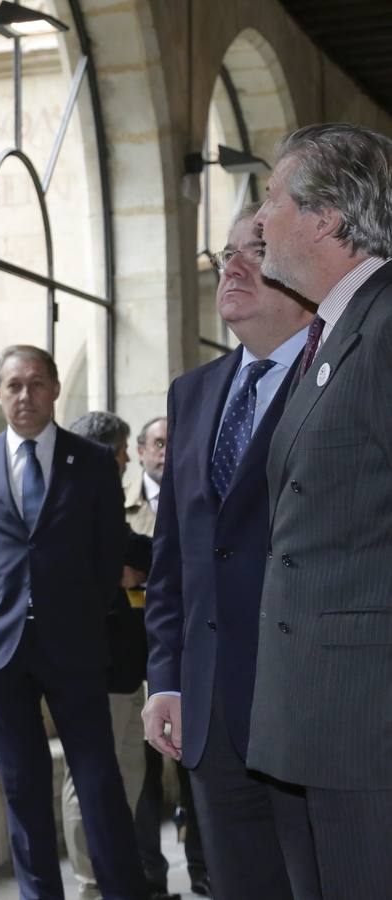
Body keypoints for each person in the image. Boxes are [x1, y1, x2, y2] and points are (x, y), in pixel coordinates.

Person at [142, 204, 320, 900]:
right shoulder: (194, 393)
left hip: (309, 707)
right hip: (210, 716)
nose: (233, 267)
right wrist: (168, 678)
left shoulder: (340, 377)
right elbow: (175, 558)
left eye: (258, 248)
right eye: (224, 254)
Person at [246, 123, 392, 897]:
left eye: (272, 199)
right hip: (317, 722)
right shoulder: (335, 335)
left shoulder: (387, 326)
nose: (260, 220)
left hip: (368, 725)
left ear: (326, 217)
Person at [0, 345, 146, 900]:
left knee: (99, 780)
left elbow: (109, 554)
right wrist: (0, 608)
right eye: (13, 385)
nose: (25, 396)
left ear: (55, 389)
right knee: (22, 784)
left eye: (36, 383)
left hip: (75, 644)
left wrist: (78, 607)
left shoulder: (93, 462)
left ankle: (123, 891)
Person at [58, 411, 150, 900]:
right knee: (89, 775)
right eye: (122, 451)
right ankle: (92, 885)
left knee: (127, 770)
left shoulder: (95, 486)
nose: (127, 459)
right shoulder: (73, 487)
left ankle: (115, 874)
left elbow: (128, 553)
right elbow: (119, 549)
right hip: (90, 661)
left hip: (125, 664)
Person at [127, 415, 209, 900]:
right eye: (157, 443)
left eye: (172, 442)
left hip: (190, 656)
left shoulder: (200, 502)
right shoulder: (119, 509)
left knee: (194, 771)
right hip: (132, 661)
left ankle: (202, 867)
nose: (165, 450)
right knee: (143, 777)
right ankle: (150, 876)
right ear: (140, 451)